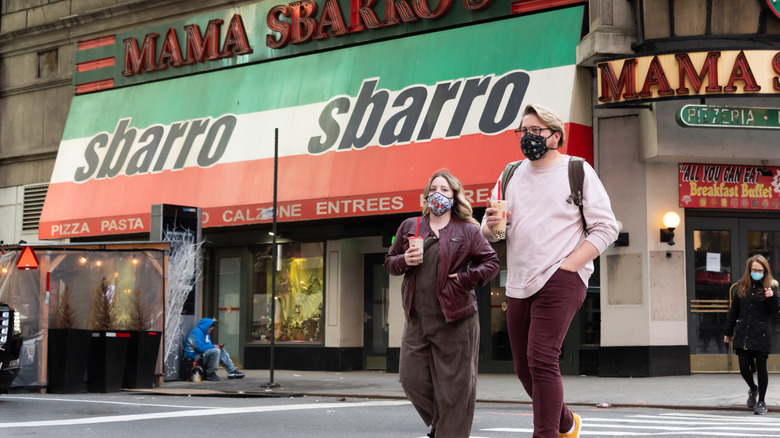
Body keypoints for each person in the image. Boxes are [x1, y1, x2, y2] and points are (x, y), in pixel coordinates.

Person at [481, 104, 618, 438]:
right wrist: (491, 227)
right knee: (523, 368)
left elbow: (606, 228)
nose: (528, 137)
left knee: (541, 358)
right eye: (523, 131)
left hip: (561, 278)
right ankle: (567, 423)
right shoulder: (510, 174)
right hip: (518, 281)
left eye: (536, 131)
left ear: (556, 136)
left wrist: (569, 267)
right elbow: (495, 234)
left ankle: (546, 434)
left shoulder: (577, 170)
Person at [385, 170, 500, 438]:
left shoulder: (468, 230)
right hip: (417, 318)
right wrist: (404, 260)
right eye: (434, 188)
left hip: (456, 318)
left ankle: (449, 431)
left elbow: (491, 263)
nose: (439, 193)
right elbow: (389, 262)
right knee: (411, 379)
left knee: (456, 388)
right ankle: (445, 423)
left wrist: (464, 279)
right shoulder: (409, 226)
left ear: (455, 195)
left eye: (445, 189)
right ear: (427, 195)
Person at [723, 254, 780, 415]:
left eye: (760, 270)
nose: (757, 272)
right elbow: (734, 310)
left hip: (761, 332)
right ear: (749, 270)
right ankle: (753, 389)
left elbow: (775, 311)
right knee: (743, 367)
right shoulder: (741, 286)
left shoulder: (771, 286)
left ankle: (761, 401)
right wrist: (728, 332)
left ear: (765, 270)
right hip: (743, 332)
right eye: (754, 269)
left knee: (761, 367)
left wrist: (772, 297)